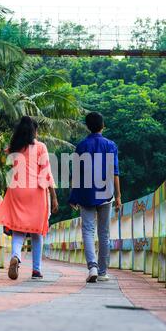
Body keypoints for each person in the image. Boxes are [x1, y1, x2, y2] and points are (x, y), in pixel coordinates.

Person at [0, 116, 58, 280]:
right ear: (34, 131)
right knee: (37, 232)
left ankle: (16, 256)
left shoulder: (14, 147)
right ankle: (36, 270)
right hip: (36, 191)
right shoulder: (41, 147)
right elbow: (46, 173)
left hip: (17, 190)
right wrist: (54, 197)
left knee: (18, 228)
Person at [69, 112, 122, 283]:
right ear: (103, 126)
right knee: (104, 232)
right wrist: (119, 196)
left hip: (86, 193)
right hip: (106, 193)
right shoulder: (110, 145)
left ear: (87, 126)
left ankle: (92, 267)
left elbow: (75, 175)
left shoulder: (81, 146)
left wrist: (73, 196)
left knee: (88, 231)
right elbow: (115, 173)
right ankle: (102, 272)